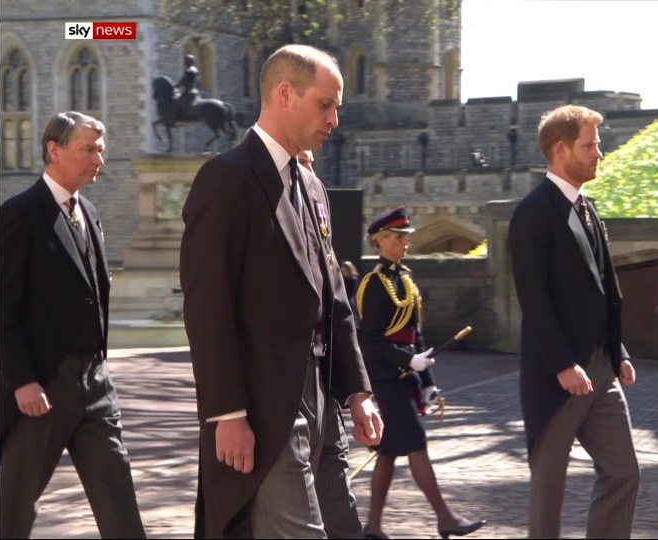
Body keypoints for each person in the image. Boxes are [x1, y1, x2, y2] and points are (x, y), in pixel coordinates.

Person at [180, 44, 383, 538]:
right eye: (325, 104)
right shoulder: (225, 180)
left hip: (322, 402)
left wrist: (357, 391)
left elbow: (332, 296)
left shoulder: (312, 188)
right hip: (264, 406)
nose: (334, 119)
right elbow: (208, 307)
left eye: (338, 107)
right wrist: (227, 413)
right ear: (285, 93)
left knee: (345, 530)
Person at [0, 111, 147, 539]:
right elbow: (2, 310)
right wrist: (23, 380)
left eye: (101, 149)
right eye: (88, 149)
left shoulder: (90, 213)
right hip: (42, 386)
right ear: (54, 150)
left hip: (95, 386)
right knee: (17, 508)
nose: (99, 158)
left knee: (118, 497)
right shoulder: (20, 215)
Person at [508, 104, 641, 539]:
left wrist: (617, 349)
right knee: (549, 488)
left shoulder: (589, 208)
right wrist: (563, 363)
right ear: (561, 149)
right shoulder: (532, 211)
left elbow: (604, 285)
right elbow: (534, 298)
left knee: (623, 471)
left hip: (601, 366)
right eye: (591, 144)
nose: (599, 153)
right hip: (557, 375)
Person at [356, 206, 484, 540]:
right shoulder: (374, 284)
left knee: (387, 451)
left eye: (406, 237)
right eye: (398, 237)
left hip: (406, 376)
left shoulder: (406, 279)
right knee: (415, 442)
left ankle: (373, 526)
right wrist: (406, 362)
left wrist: (427, 381)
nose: (405, 242)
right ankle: (445, 518)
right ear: (380, 241)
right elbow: (370, 342)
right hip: (386, 379)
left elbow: (417, 336)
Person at [297, 149, 365, 539]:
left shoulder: (318, 210)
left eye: (311, 164)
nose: (308, 173)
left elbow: (339, 312)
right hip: (282, 398)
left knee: (341, 514)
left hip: (325, 392)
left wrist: (357, 393)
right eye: (299, 164)